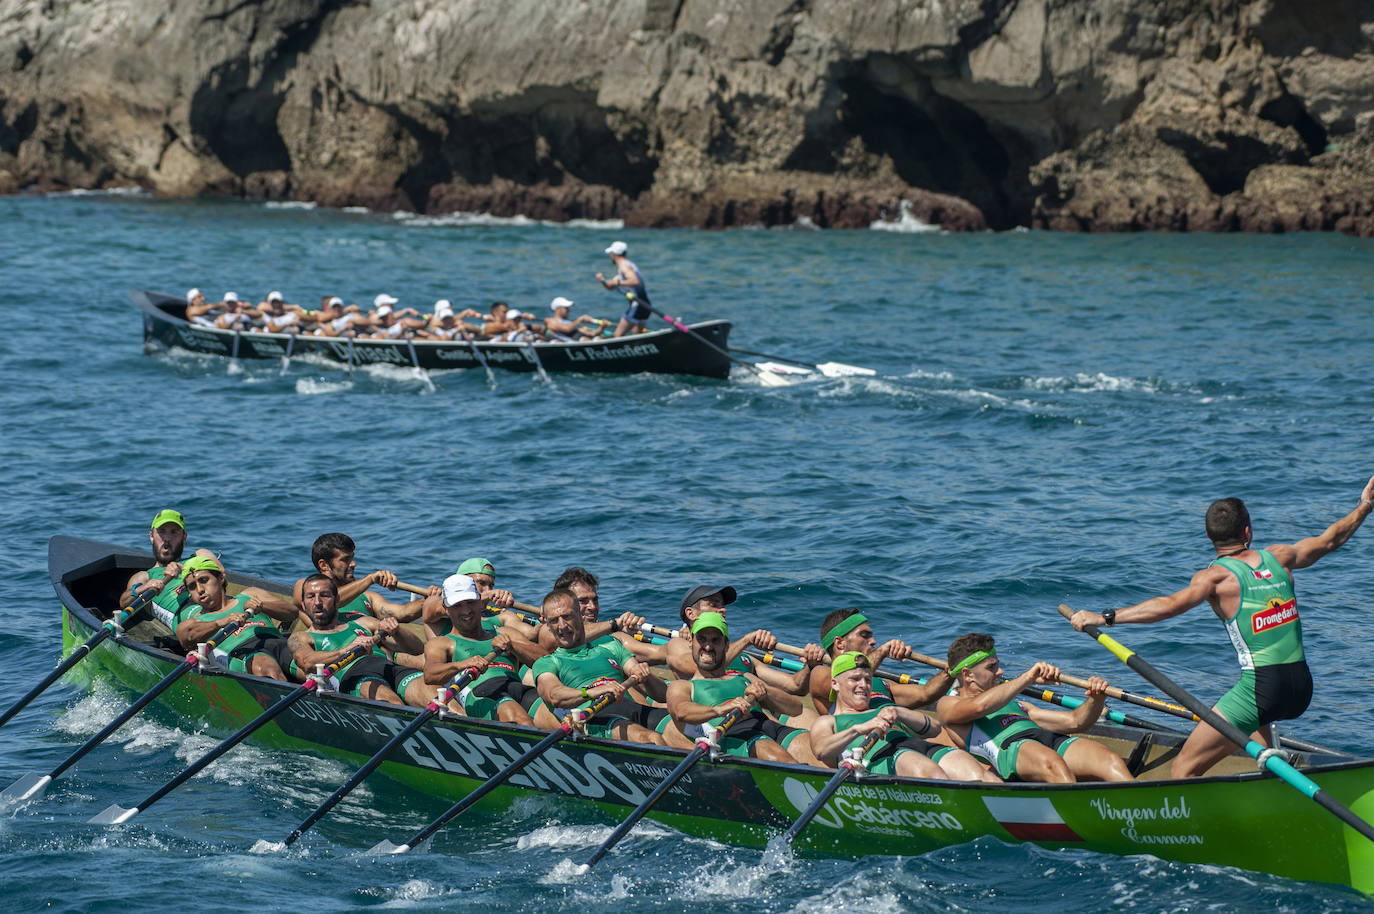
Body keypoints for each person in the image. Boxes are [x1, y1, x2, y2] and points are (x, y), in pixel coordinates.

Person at [1071, 476, 1374, 777]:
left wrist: (1105, 617)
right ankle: (1273, 779)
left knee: (1183, 769)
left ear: (1210, 537)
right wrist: (1365, 506)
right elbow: (1331, 539)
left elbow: (1169, 605)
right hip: (1302, 687)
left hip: (1262, 689)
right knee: (1256, 721)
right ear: (1247, 531)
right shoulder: (1281, 557)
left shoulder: (1215, 578)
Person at [936, 633, 1132, 784]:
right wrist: (1027, 679)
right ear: (968, 675)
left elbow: (1076, 721)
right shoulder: (948, 704)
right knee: (1052, 764)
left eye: (998, 665)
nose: (1000, 671)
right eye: (991, 667)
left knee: (1109, 758)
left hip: (1044, 739)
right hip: (1011, 748)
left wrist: (1096, 700)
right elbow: (979, 707)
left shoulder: (1019, 705)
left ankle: (1142, 810)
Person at [812, 651, 998, 781]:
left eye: (868, 680)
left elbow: (934, 728)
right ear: (835, 684)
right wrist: (859, 729)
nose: (864, 685)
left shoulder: (885, 708)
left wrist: (899, 712)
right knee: (934, 775)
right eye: (855, 679)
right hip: (882, 756)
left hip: (920, 746)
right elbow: (821, 750)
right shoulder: (828, 721)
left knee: (983, 777)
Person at [666, 611, 822, 764]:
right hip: (735, 735)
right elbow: (681, 712)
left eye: (715, 640)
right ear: (691, 642)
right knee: (776, 756)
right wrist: (720, 710)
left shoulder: (744, 678)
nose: (707, 646)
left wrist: (765, 694)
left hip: (771, 727)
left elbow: (796, 708)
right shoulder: (682, 686)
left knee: (814, 746)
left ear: (726, 645)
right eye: (701, 639)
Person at [667, 584, 824, 727]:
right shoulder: (681, 644)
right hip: (719, 715)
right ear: (691, 613)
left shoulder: (744, 657)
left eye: (722, 605)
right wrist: (747, 640)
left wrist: (810, 665)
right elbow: (698, 667)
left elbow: (795, 686)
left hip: (761, 705)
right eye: (713, 604)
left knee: (814, 721)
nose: (722, 610)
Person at [531, 588, 668, 743]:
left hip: (631, 707)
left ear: (579, 615)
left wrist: (645, 675)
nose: (562, 626)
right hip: (595, 716)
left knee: (680, 728)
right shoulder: (547, 663)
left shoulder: (610, 646)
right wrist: (591, 692)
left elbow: (663, 696)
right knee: (652, 738)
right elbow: (554, 695)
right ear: (548, 625)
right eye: (554, 620)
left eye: (567, 617)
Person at [423, 573, 549, 723]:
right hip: (481, 694)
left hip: (517, 687)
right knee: (520, 719)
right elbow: (429, 675)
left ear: (480, 602)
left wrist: (513, 646)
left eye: (470, 602)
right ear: (446, 608)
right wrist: (463, 664)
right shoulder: (442, 643)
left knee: (554, 717)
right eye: (457, 605)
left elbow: (545, 659)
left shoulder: (504, 633)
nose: (466, 611)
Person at [288, 573, 427, 705]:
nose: (317, 602)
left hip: (390, 668)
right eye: (311, 597)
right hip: (356, 675)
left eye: (324, 596)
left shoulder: (364, 623)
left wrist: (397, 631)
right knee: (393, 704)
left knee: (434, 697)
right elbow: (306, 662)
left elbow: (417, 649)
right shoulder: (300, 637)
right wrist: (347, 650)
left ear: (337, 601)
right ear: (304, 604)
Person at [175, 556, 297, 680]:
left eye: (204, 580)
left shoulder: (250, 594)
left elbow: (292, 613)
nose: (200, 589)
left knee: (307, 661)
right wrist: (220, 622)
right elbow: (185, 637)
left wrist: (263, 606)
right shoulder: (197, 620)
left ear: (221, 578)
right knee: (266, 666)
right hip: (244, 653)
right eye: (192, 587)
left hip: (278, 641)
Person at [809, 609, 952, 712]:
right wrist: (883, 651)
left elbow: (925, 694)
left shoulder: (882, 683)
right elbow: (849, 675)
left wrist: (950, 671)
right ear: (840, 644)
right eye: (864, 635)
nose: (873, 641)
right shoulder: (821, 674)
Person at [294, 532, 433, 625]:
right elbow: (333, 601)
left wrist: (429, 599)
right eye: (345, 560)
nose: (353, 564)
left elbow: (404, 614)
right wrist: (370, 579)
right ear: (324, 565)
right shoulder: (306, 588)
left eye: (352, 558)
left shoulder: (368, 597)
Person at [595, 240, 652, 337]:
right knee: (636, 336)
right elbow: (610, 287)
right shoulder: (628, 265)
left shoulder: (623, 266)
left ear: (614, 254)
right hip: (646, 305)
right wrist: (603, 281)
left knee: (617, 335)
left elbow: (635, 281)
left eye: (611, 254)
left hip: (637, 305)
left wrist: (617, 282)